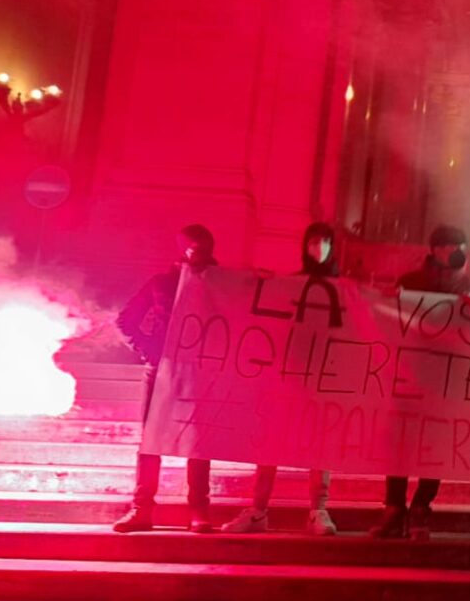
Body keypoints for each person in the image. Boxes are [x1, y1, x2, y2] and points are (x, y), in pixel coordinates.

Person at [220, 222, 340, 537]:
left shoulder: (344, 289)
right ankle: (259, 509)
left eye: (326, 241)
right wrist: (262, 285)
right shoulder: (292, 283)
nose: (319, 247)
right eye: (314, 241)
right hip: (288, 375)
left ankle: (317, 509)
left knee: (319, 445)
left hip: (323, 377)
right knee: (270, 443)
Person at [373, 223, 470, 540]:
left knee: (435, 445)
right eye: (450, 245)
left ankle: (421, 506)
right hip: (409, 374)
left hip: (445, 379)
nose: (456, 251)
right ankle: (394, 507)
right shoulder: (411, 282)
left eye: (460, 245)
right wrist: (392, 299)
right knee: (400, 443)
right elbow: (389, 318)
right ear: (435, 250)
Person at [111, 223, 217, 534]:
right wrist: (150, 350)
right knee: (151, 439)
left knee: (198, 440)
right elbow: (125, 320)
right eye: (191, 246)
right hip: (162, 369)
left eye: (201, 247)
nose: (195, 252)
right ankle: (143, 508)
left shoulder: (222, 286)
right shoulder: (163, 283)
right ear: (182, 248)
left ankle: (198, 508)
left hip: (199, 371)